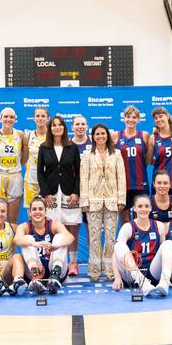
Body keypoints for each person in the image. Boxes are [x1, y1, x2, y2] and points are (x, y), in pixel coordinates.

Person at [80, 123, 126, 281]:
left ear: (107, 135)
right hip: (93, 201)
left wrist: (121, 198)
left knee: (110, 237)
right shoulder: (87, 154)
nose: (100, 136)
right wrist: (84, 200)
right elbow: (83, 178)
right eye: (97, 134)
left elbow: (121, 176)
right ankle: (94, 269)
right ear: (93, 137)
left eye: (103, 133)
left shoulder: (116, 154)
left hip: (112, 201)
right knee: (94, 237)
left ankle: (110, 269)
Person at [37, 116, 81, 274]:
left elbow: (79, 172)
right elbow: (40, 173)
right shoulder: (44, 147)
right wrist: (45, 193)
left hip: (70, 193)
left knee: (72, 226)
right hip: (51, 194)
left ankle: (73, 262)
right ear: (50, 129)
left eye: (60, 125)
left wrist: (76, 192)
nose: (57, 127)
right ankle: (54, 262)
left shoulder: (72, 147)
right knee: (53, 228)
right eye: (54, 125)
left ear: (64, 128)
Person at [111, 195, 172, 296]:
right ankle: (144, 284)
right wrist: (117, 278)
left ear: (150, 208)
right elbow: (116, 254)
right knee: (119, 245)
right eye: (140, 206)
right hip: (132, 274)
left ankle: (164, 282)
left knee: (168, 243)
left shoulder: (159, 226)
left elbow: (164, 253)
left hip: (151, 271)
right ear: (134, 208)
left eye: (146, 206)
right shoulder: (128, 227)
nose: (143, 209)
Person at [14, 196, 74, 294]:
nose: (37, 212)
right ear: (29, 212)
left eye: (40, 209)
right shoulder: (24, 226)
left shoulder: (53, 224)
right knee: (27, 238)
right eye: (34, 209)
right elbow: (16, 239)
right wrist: (34, 243)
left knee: (60, 237)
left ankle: (55, 275)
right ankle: (36, 276)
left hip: (54, 269)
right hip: (34, 271)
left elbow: (70, 237)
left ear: (45, 211)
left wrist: (56, 246)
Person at [0, 107, 27, 224]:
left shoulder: (20, 135)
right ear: (0, 118)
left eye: (11, 117)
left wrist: (17, 165)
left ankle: (12, 237)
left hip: (15, 177)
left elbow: (25, 157)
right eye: (5, 116)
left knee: (12, 220)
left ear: (15, 120)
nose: (8, 119)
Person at [113, 105, 150, 223]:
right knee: (125, 219)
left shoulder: (144, 135)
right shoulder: (116, 136)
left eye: (134, 117)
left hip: (140, 183)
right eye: (128, 117)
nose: (131, 120)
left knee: (140, 217)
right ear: (124, 118)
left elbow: (149, 158)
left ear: (138, 119)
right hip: (122, 184)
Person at [70, 115, 91, 275]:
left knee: (92, 228)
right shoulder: (67, 144)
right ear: (72, 127)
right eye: (77, 124)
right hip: (73, 191)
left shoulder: (94, 142)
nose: (80, 126)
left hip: (90, 192)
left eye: (83, 124)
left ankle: (93, 261)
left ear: (87, 126)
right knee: (73, 228)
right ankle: (73, 262)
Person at [23, 107, 49, 209]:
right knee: (32, 212)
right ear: (34, 118)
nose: (40, 118)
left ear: (47, 118)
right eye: (37, 116)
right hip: (31, 181)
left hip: (48, 182)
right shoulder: (28, 136)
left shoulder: (52, 137)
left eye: (43, 116)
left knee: (49, 213)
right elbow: (24, 158)